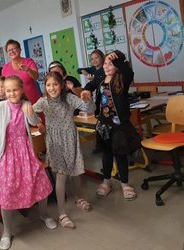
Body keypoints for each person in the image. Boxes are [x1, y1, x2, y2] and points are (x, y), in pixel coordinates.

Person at [0, 75, 56, 250]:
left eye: (15, 89)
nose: (12, 93)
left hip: (26, 152)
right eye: (8, 90)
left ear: (21, 90)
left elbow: (35, 123)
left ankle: (43, 214)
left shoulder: (26, 105)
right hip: (7, 154)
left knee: (40, 182)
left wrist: (31, 114)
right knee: (7, 192)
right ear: (4, 92)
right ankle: (7, 231)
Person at [33, 72, 95, 229]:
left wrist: (87, 97)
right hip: (55, 142)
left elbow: (89, 108)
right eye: (48, 85)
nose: (52, 88)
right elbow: (30, 114)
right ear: (45, 87)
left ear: (61, 85)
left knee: (76, 169)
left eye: (55, 84)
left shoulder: (69, 98)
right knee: (61, 176)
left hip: (71, 139)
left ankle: (79, 198)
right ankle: (62, 214)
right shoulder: (43, 102)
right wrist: (37, 121)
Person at [81, 50, 140, 201]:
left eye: (111, 64)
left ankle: (125, 184)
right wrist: (87, 90)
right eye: (105, 63)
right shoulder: (101, 78)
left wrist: (118, 59)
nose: (107, 66)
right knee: (106, 154)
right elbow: (90, 84)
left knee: (120, 154)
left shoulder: (122, 79)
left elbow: (128, 72)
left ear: (118, 66)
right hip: (104, 124)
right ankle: (106, 182)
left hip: (119, 125)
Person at [2, 39, 41, 105]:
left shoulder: (28, 61)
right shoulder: (5, 68)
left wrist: (28, 70)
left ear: (20, 49)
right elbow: (4, 85)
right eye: (9, 50)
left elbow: (36, 77)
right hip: (15, 102)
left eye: (14, 49)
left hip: (32, 100)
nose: (12, 51)